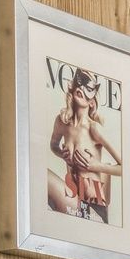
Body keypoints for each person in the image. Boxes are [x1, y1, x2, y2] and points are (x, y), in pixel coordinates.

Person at [46, 68, 121, 221]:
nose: (81, 88)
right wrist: (62, 154)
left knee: (43, 176)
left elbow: (125, 168)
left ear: (92, 101)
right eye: (79, 82)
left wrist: (96, 166)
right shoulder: (61, 122)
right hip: (73, 198)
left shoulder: (94, 129)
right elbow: (53, 146)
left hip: (93, 211)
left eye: (88, 87)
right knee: (39, 174)